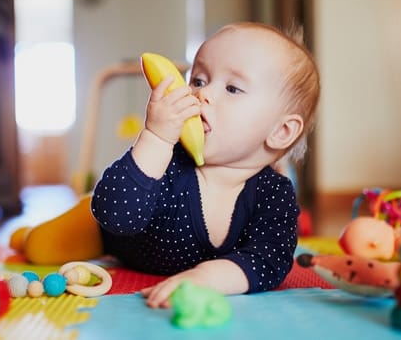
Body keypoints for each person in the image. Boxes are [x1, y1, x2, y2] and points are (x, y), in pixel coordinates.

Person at [91, 21, 321, 308]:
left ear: (281, 131)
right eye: (198, 80)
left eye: (233, 88)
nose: (203, 94)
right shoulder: (168, 159)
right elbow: (114, 215)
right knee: (54, 240)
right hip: (100, 234)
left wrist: (208, 278)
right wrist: (156, 137)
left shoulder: (274, 194)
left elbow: (270, 260)